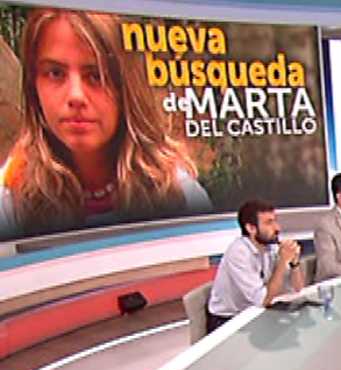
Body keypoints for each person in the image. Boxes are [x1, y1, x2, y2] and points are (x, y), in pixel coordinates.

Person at [0, 9, 210, 239]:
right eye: (56, 73)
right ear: (33, 85)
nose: (76, 96)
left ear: (127, 86)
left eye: (96, 75)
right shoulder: (10, 201)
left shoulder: (179, 194)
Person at [207, 200, 304, 333]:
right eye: (269, 223)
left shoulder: (270, 246)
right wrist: (282, 262)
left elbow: (297, 289)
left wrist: (294, 262)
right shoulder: (239, 253)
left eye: (275, 221)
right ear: (251, 228)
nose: (277, 228)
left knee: (298, 327)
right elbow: (263, 300)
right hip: (229, 320)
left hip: (257, 312)